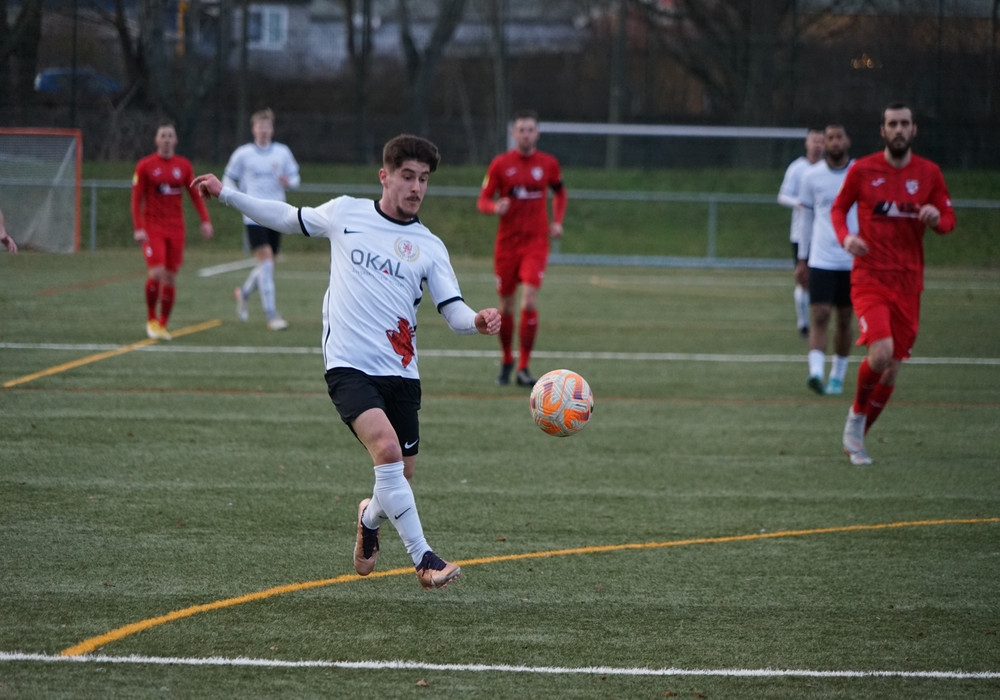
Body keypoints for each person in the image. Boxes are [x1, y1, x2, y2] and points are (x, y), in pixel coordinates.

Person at [192, 135, 502, 590]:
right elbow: (286, 216)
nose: (416, 187)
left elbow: (452, 311)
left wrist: (476, 320)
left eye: (423, 179)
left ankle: (368, 518)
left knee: (400, 477)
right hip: (348, 365)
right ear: (385, 177)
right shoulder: (346, 213)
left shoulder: (430, 246)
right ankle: (424, 559)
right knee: (388, 451)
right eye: (407, 176)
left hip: (402, 372)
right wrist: (227, 195)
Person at [832, 102, 955, 465]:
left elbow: (949, 219)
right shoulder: (863, 170)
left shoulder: (929, 173)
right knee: (881, 352)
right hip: (869, 277)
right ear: (882, 130)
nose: (898, 130)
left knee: (891, 370)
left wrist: (936, 219)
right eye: (892, 124)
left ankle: (857, 438)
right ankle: (856, 414)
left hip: (908, 283)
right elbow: (838, 209)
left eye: (904, 124)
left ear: (914, 129)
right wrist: (845, 238)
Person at [477, 109, 567, 387]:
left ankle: (524, 367)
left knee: (528, 300)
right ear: (513, 133)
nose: (526, 134)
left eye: (530, 130)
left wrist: (557, 221)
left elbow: (560, 192)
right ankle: (507, 359)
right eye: (521, 130)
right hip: (507, 246)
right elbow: (483, 199)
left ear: (537, 133)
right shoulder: (500, 164)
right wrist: (495, 206)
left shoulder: (548, 164)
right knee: (505, 305)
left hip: (535, 244)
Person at [131, 122, 213, 340]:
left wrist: (205, 221)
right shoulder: (145, 165)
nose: (167, 139)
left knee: (170, 277)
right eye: (163, 135)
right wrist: (138, 227)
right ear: (157, 140)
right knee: (157, 272)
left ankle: (163, 324)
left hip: (176, 228)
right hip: (153, 227)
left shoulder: (183, 165)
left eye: (170, 136)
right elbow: (136, 198)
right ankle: (151, 318)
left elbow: (195, 195)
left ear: (175, 140)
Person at [794, 124, 857, 396]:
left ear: (847, 141)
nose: (834, 142)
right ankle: (816, 374)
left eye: (839, 137)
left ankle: (837, 377)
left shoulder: (859, 172)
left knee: (844, 319)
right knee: (819, 314)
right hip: (821, 259)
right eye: (829, 138)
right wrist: (802, 259)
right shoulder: (811, 176)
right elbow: (806, 219)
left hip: (851, 260)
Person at [224, 108, 301, 331]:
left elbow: (296, 177)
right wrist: (237, 198)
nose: (264, 130)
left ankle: (244, 292)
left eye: (267, 126)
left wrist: (289, 182)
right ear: (253, 129)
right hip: (253, 216)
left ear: (272, 129)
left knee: (267, 265)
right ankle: (272, 316)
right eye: (260, 126)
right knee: (266, 262)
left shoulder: (282, 152)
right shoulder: (243, 154)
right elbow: (228, 178)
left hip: (277, 214)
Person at [778, 128, 825, 338]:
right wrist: (798, 202)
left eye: (821, 141)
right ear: (807, 143)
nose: (817, 145)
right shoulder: (797, 168)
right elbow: (782, 196)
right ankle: (803, 322)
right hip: (800, 234)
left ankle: (818, 319)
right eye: (814, 140)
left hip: (824, 235)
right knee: (803, 278)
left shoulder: (828, 169)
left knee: (822, 281)